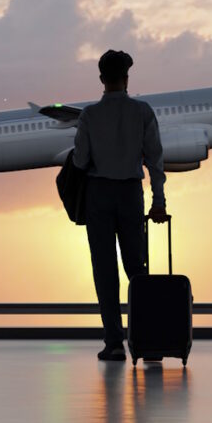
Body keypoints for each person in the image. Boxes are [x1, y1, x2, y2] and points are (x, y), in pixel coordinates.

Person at [73, 49, 168, 361]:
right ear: (127, 78)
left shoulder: (89, 115)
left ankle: (114, 343)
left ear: (102, 79)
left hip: (98, 195)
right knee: (136, 268)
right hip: (130, 193)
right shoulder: (142, 112)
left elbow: (81, 160)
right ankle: (151, 338)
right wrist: (158, 202)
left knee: (104, 270)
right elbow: (154, 161)